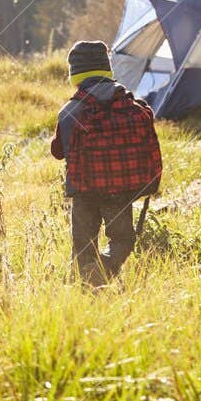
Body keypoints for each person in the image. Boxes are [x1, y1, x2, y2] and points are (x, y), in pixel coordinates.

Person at [49, 40, 161, 286]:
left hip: (83, 191)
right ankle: (106, 268)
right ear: (107, 70)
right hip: (120, 192)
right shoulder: (131, 105)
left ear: (74, 76)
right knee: (123, 240)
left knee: (83, 244)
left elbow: (58, 152)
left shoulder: (71, 110)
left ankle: (88, 286)